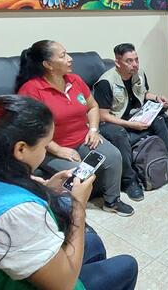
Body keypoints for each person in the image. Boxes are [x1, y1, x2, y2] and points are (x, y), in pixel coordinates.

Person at [0, 95, 138, 289]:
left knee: (93, 244)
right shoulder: (16, 214)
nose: (47, 150)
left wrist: (46, 187)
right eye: (45, 144)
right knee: (127, 265)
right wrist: (78, 206)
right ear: (20, 149)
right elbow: (64, 285)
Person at [16, 40, 133, 217]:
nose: (70, 59)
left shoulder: (75, 80)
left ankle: (112, 201)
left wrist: (93, 130)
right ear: (48, 64)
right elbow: (30, 129)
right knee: (80, 172)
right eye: (63, 56)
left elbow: (93, 107)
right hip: (50, 149)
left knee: (113, 155)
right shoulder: (32, 90)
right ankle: (71, 212)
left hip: (82, 137)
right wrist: (59, 149)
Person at [93, 43, 168, 201]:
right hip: (114, 120)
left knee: (161, 118)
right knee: (119, 134)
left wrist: (157, 98)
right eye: (129, 61)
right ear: (117, 62)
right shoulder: (106, 82)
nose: (135, 64)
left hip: (135, 115)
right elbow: (103, 116)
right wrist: (131, 125)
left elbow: (144, 93)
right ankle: (130, 181)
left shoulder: (139, 73)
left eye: (136, 59)